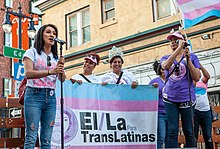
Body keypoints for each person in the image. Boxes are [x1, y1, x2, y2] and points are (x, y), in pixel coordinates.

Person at [23, 24, 66, 148]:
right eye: (48, 32)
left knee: (47, 139)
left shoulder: (55, 57)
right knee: (31, 136)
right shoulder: (31, 52)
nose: (52, 35)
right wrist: (50, 72)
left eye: (54, 33)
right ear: (41, 35)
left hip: (51, 97)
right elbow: (28, 73)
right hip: (34, 96)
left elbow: (62, 79)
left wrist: (61, 68)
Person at [160, 31, 201, 148]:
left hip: (186, 98)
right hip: (170, 99)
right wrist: (179, 49)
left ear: (183, 42)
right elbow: (165, 66)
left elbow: (197, 77)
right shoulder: (166, 57)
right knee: (172, 129)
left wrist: (188, 59)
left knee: (189, 129)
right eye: (171, 41)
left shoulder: (192, 57)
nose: (173, 42)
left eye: (176, 40)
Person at [194, 63, 214, 149]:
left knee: (208, 136)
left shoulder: (203, 81)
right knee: (193, 136)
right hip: (195, 111)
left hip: (206, 111)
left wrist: (200, 66)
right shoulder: (191, 83)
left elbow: (208, 76)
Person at [148, 60, 167, 149]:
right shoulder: (154, 81)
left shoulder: (171, 80)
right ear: (159, 70)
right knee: (161, 136)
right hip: (160, 112)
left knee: (170, 137)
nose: (164, 71)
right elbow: (148, 95)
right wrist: (153, 89)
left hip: (171, 112)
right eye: (162, 69)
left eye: (165, 69)